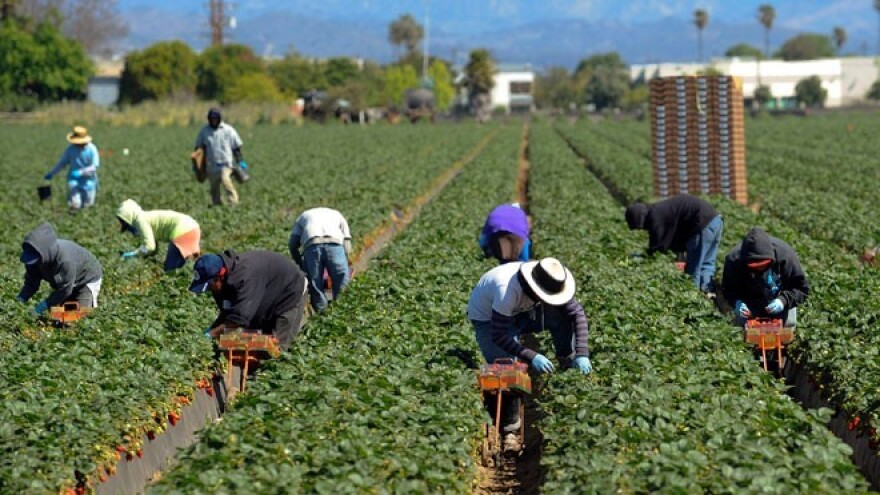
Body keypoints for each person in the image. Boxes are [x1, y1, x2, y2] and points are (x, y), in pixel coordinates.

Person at [467, 257, 591, 440]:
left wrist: (582, 353)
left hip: (524, 311)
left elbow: (577, 314)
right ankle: (509, 427)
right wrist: (532, 356)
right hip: (489, 319)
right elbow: (499, 335)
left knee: (561, 316)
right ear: (535, 289)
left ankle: (566, 363)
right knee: (505, 368)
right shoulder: (506, 291)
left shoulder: (550, 279)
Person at [189, 250, 308, 351]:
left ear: (219, 276)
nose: (209, 290)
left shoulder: (245, 277)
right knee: (259, 343)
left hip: (289, 293)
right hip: (266, 297)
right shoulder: (221, 285)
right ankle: (255, 371)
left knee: (278, 348)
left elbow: (239, 319)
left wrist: (211, 335)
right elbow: (228, 315)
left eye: (209, 286)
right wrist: (212, 329)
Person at [625, 194, 723, 294]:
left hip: (701, 223)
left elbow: (659, 247)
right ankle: (707, 292)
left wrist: (646, 257)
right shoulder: (659, 209)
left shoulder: (655, 216)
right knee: (706, 263)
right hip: (715, 221)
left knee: (693, 269)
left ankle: (694, 297)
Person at [722, 227, 809, 328]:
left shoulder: (786, 256)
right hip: (750, 304)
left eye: (763, 265)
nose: (759, 269)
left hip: (781, 302)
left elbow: (801, 289)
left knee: (787, 327)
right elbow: (728, 289)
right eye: (755, 267)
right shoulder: (734, 260)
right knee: (746, 332)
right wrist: (736, 302)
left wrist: (783, 300)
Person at [16, 222, 103, 314]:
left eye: (36, 259)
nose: (34, 263)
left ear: (46, 254)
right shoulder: (33, 260)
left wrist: (43, 306)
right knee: (57, 314)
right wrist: (20, 300)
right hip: (68, 282)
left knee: (77, 315)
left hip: (87, 279)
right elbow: (31, 283)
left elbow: (65, 290)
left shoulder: (64, 261)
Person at [288, 207, 352, 312]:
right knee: (341, 279)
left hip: (311, 245)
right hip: (335, 244)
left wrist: (301, 264)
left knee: (314, 282)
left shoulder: (303, 216)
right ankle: (342, 310)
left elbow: (292, 244)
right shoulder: (337, 214)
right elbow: (347, 242)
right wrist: (346, 261)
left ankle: (322, 314)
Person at [116, 199, 201, 271]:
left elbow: (150, 247)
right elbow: (153, 248)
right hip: (193, 228)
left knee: (170, 271)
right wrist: (144, 255)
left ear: (128, 217)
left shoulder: (140, 220)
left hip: (183, 231)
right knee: (180, 269)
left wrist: (134, 254)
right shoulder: (146, 217)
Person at [194, 108, 246, 206]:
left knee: (226, 180)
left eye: (216, 118)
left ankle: (234, 203)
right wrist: (196, 166)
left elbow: (236, 148)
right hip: (211, 166)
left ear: (219, 118)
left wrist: (240, 161)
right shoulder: (204, 132)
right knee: (214, 190)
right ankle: (218, 207)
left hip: (226, 164)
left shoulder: (228, 130)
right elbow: (198, 149)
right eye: (212, 118)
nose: (214, 120)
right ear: (209, 119)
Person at [43, 126, 100, 210]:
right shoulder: (70, 149)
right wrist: (52, 173)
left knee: (88, 206)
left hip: (89, 182)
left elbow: (94, 166)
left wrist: (81, 172)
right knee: (75, 204)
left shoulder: (92, 149)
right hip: (74, 181)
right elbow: (62, 163)